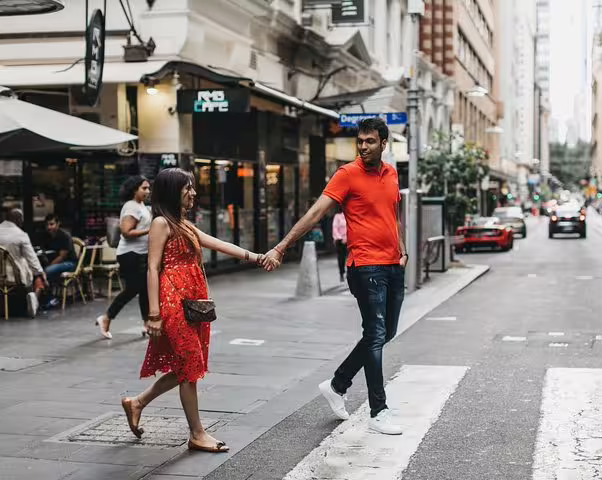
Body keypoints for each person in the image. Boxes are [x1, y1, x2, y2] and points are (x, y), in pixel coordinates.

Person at [262, 118, 407, 435]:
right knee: (376, 333)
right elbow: (316, 213)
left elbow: (393, 215)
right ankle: (378, 410)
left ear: (384, 143)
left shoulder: (392, 173)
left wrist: (404, 249)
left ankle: (338, 384)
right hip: (366, 266)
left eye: (370, 141)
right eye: (360, 141)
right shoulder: (347, 174)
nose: (364, 146)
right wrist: (282, 246)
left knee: (384, 333)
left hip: (393, 264)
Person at [121, 168, 265, 453]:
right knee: (190, 366)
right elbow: (152, 267)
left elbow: (217, 243)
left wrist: (255, 256)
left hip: (192, 302)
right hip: (173, 302)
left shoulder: (182, 223)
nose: (193, 193)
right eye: (188, 188)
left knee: (188, 365)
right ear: (174, 190)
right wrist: (153, 314)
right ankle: (197, 434)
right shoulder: (161, 223)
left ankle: (137, 403)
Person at [95, 176, 152, 339]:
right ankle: (106, 318)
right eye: (144, 188)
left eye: (148, 188)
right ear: (135, 189)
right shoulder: (131, 207)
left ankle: (146, 324)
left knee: (144, 290)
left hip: (140, 254)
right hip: (129, 255)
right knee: (133, 288)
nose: (147, 191)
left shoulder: (142, 206)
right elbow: (126, 232)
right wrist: (150, 230)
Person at [0, 208, 47, 317]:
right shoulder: (20, 235)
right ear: (18, 220)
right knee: (33, 270)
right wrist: (40, 273)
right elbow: (32, 258)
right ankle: (33, 297)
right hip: (12, 276)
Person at [42, 214, 77, 308]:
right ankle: (46, 297)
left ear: (58, 224)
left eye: (51, 224)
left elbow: (62, 256)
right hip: (56, 262)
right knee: (39, 271)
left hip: (69, 263)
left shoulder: (64, 236)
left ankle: (51, 298)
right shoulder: (46, 236)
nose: (48, 227)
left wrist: (48, 266)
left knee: (47, 271)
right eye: (47, 225)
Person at [332, 207, 347, 282]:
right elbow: (335, 228)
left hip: (349, 240)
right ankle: (341, 273)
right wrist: (340, 238)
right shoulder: (337, 216)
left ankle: (349, 273)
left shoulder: (350, 216)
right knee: (341, 258)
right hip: (340, 241)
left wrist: (347, 238)